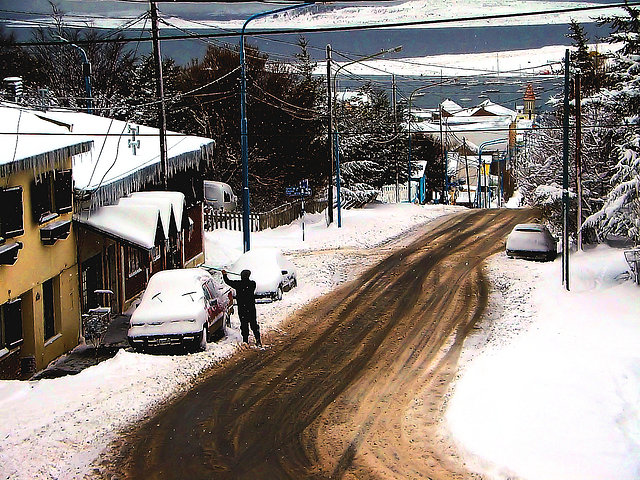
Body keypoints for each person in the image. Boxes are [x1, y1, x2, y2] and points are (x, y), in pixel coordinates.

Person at [221, 269, 261, 347]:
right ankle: (258, 339)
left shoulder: (238, 284)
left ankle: (245, 340)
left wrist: (224, 275)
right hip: (251, 308)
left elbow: (228, 282)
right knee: (253, 324)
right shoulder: (252, 284)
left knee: (244, 324)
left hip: (242, 308)